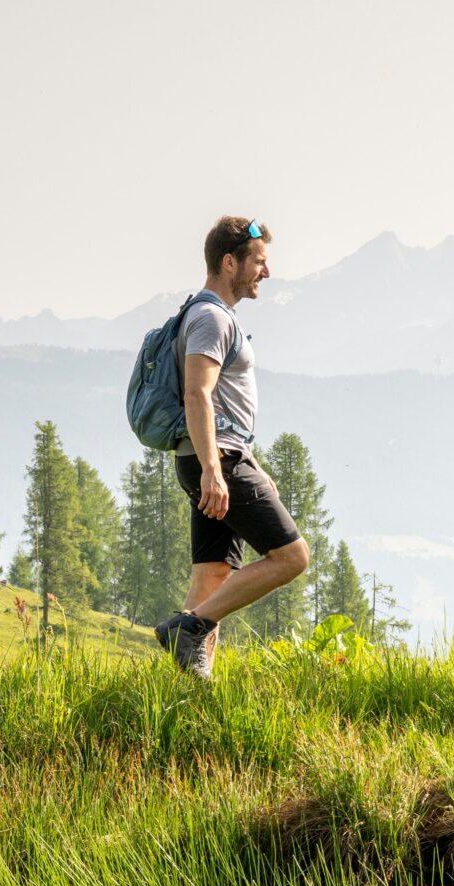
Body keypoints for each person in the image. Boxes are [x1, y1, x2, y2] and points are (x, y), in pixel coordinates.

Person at [154, 216, 312, 677]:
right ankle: (189, 628)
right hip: (216, 459)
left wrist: (251, 464)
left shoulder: (210, 314)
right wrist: (213, 468)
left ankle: (191, 694)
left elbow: (221, 404)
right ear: (229, 262)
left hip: (218, 455)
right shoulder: (211, 318)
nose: (267, 271)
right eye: (259, 261)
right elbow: (197, 393)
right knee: (291, 557)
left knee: (212, 575)